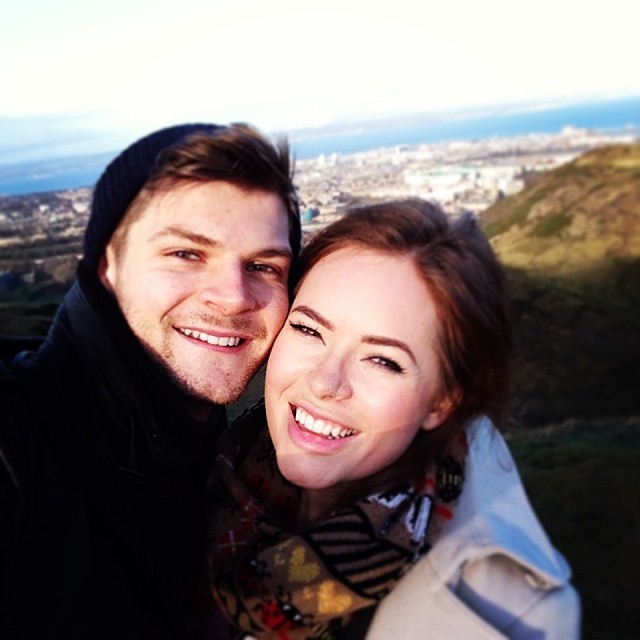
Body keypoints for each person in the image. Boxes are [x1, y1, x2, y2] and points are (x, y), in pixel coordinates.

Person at [206, 199, 580, 639]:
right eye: (308, 330)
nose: (325, 382)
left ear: (442, 402)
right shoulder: (211, 473)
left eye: (383, 361)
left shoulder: (518, 614)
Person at [0, 122, 300, 640]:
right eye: (186, 254)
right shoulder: (15, 448)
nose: (234, 296)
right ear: (106, 266)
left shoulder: (245, 473)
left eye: (262, 266)